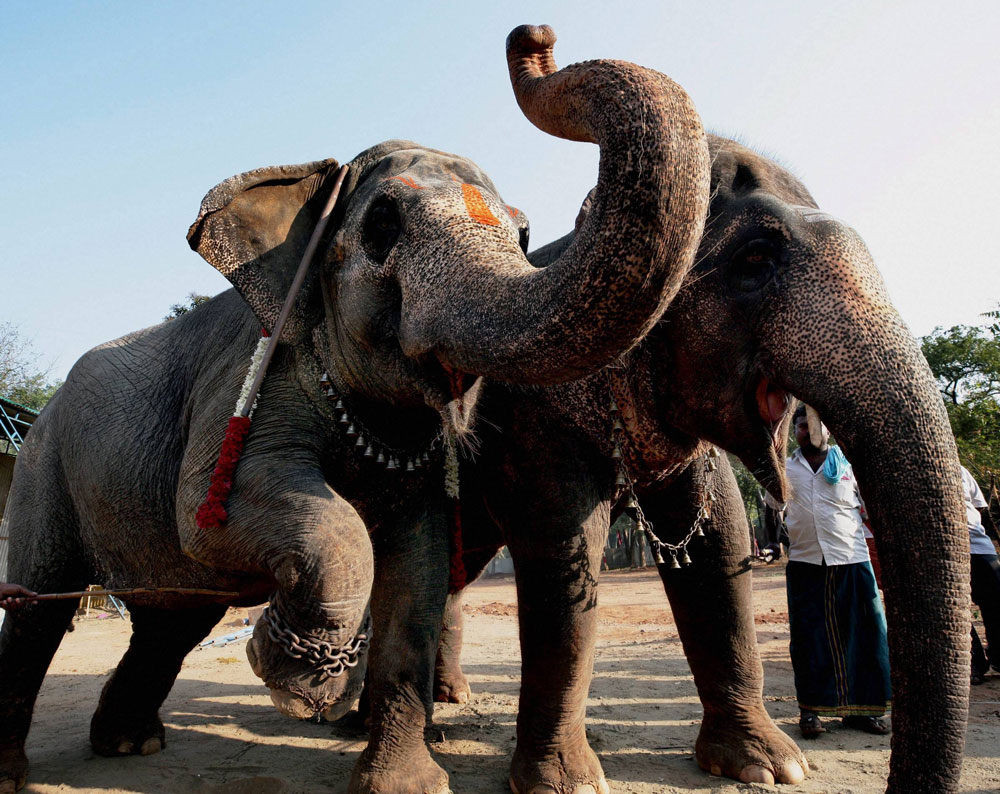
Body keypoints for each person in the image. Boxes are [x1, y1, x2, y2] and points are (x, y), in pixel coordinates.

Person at [766, 404, 891, 738]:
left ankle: (864, 712)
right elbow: (774, 506)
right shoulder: (786, 468)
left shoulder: (849, 464)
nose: (802, 431)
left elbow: (870, 509)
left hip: (851, 559)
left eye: (808, 425)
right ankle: (811, 712)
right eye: (798, 427)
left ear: (827, 430)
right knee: (810, 640)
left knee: (866, 634)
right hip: (806, 564)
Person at [960, 465, 1000, 684]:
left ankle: (998, 656)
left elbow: (979, 507)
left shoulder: (961, 471)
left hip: (980, 545)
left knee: (996, 598)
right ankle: (973, 660)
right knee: (955, 607)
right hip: (942, 550)